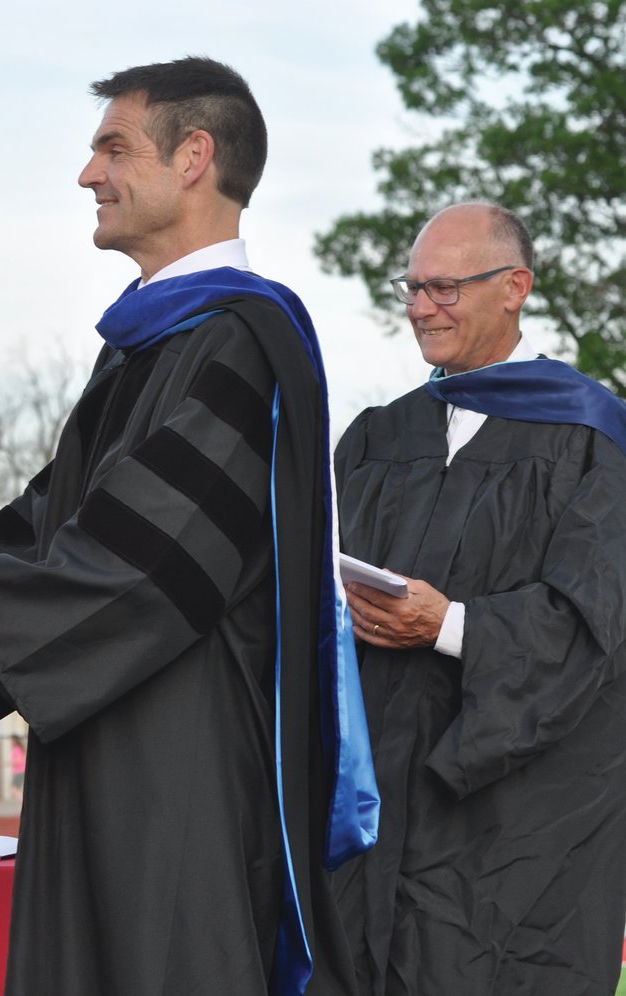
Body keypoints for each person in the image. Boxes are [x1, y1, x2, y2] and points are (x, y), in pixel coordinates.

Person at [0, 57, 377, 996]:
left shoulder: (236, 341)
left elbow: (151, 567)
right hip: (116, 750)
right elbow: (50, 528)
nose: (86, 173)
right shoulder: (157, 342)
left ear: (194, 157)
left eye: (112, 146)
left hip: (180, 767)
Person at [332, 202, 626, 995]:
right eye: (413, 288)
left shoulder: (596, 440)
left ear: (515, 288)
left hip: (514, 825)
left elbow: (593, 625)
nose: (422, 307)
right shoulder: (375, 439)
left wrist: (450, 624)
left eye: (446, 289)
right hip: (376, 804)